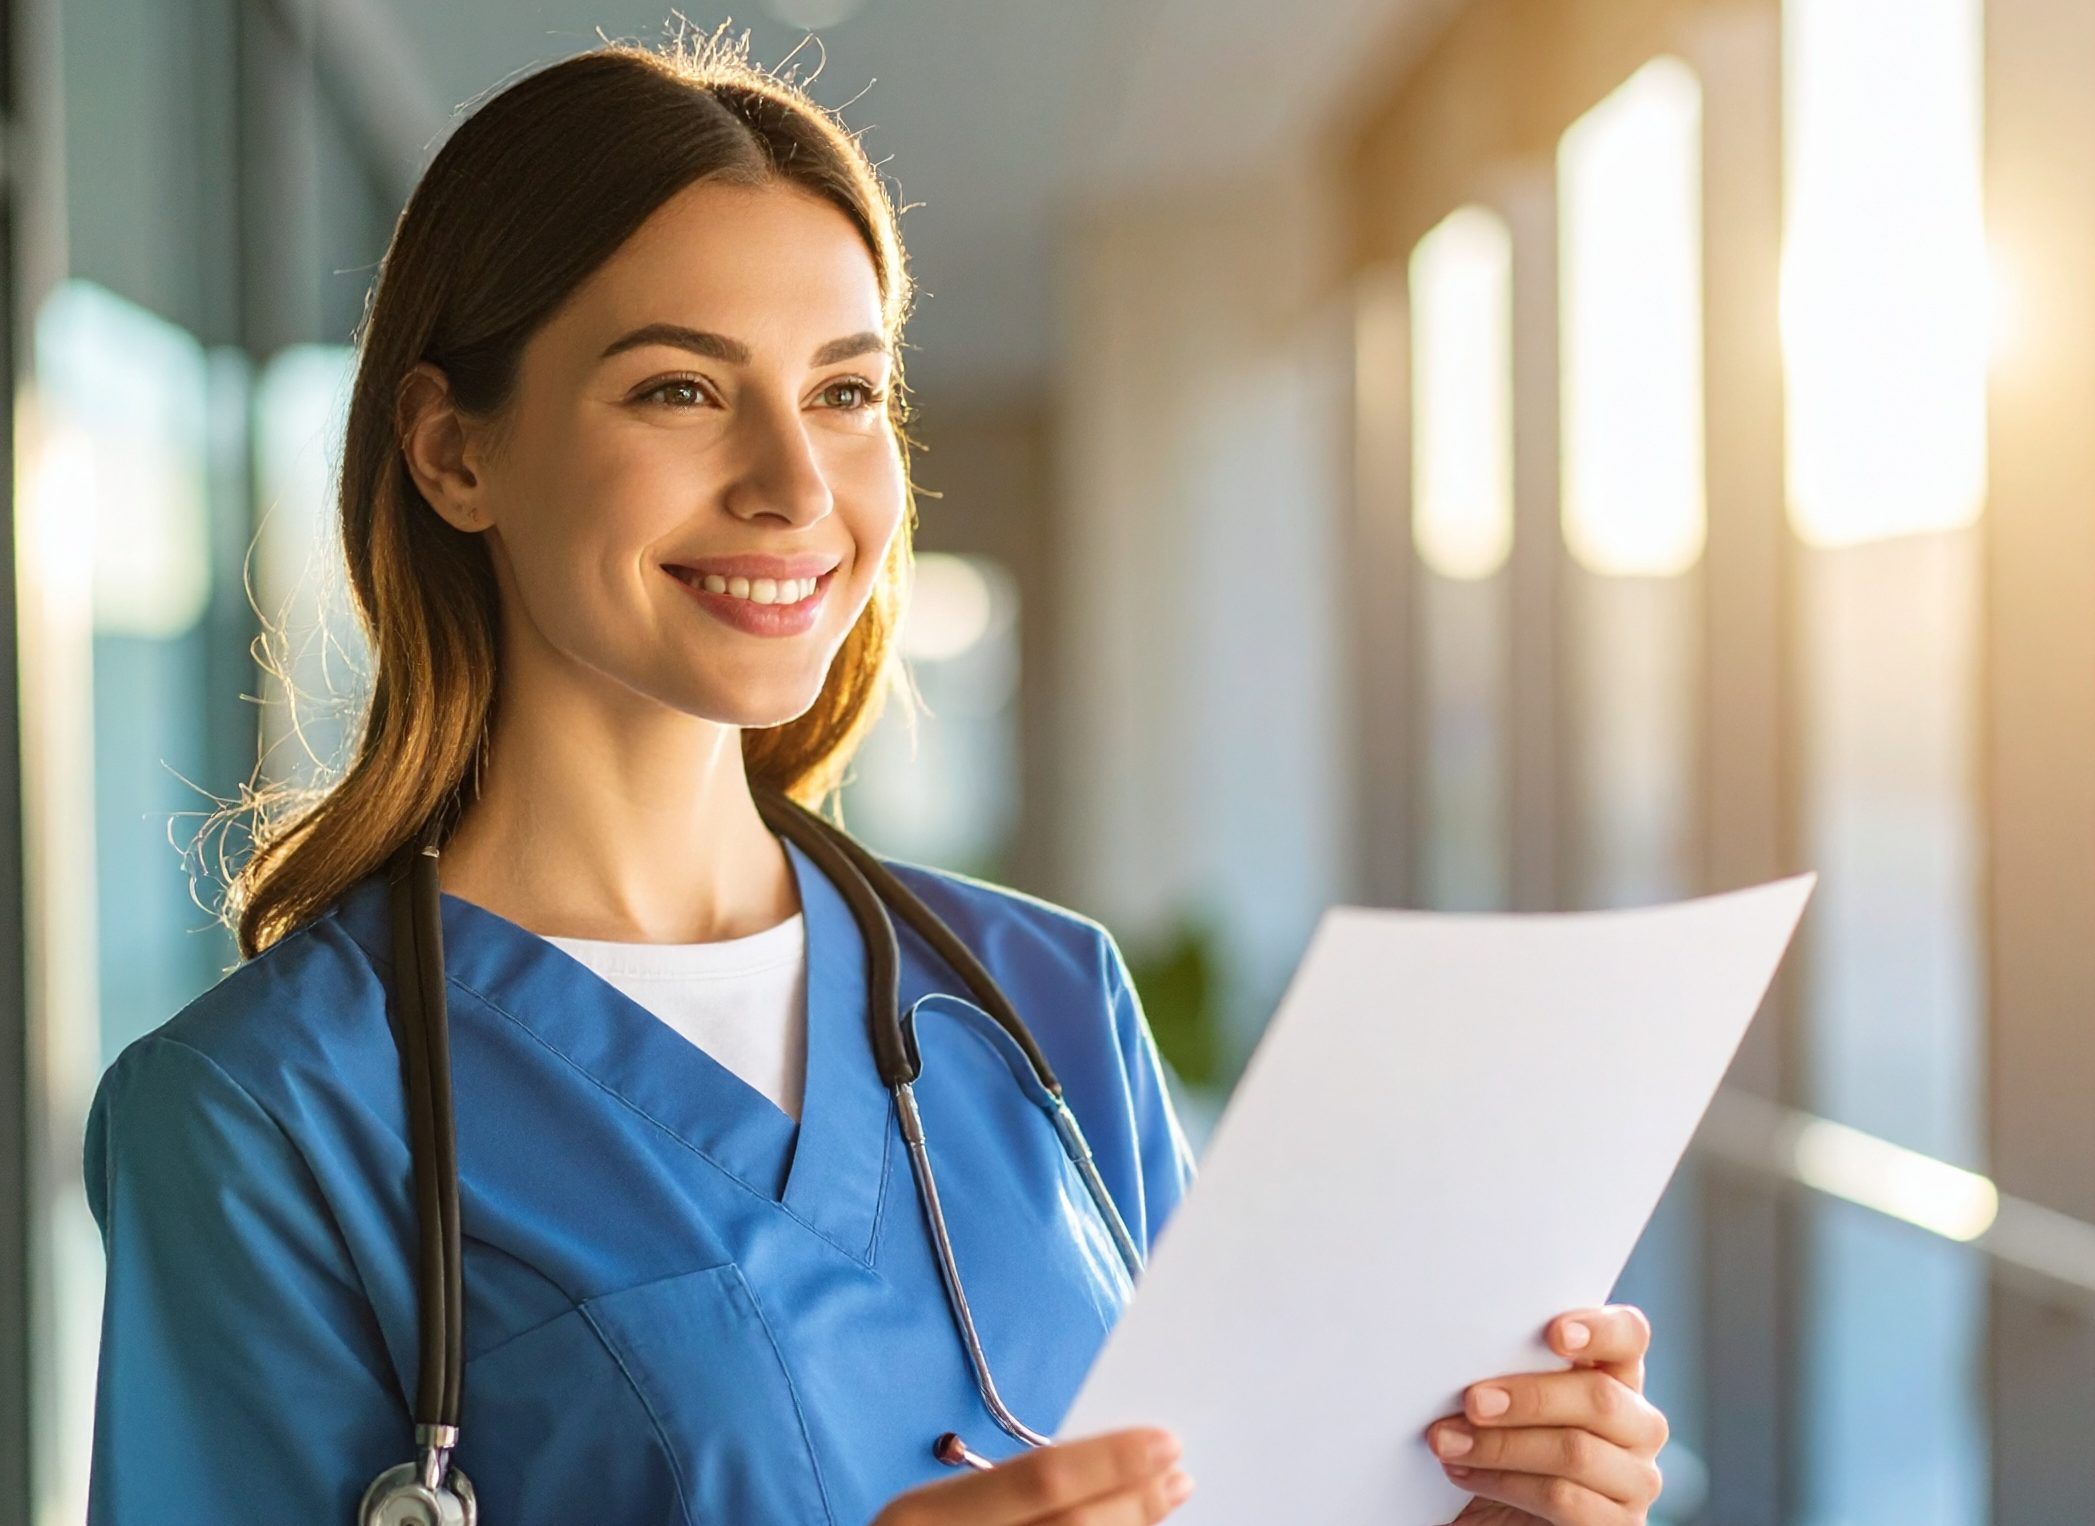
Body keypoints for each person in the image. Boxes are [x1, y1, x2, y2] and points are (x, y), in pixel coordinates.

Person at [81, 27, 1668, 1526]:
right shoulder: (268, 1109)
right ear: (453, 452)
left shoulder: (1044, 998)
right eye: (680, 389)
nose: (794, 485)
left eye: (844, 392)